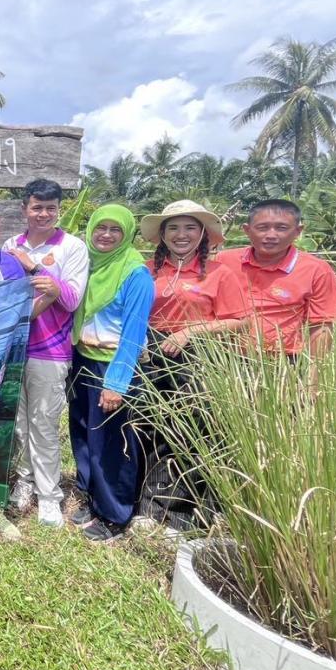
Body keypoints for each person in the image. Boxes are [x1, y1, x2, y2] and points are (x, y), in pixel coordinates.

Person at [133, 201, 248, 535]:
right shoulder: (147, 270)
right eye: (173, 228)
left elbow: (239, 320)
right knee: (150, 429)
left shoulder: (219, 273)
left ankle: (181, 515)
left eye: (189, 228)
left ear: (202, 234)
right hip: (151, 357)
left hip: (197, 359)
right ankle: (148, 507)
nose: (181, 235)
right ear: (162, 235)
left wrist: (191, 331)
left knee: (189, 434)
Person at [1, 179, 90, 527]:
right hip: (14, 347)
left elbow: (71, 299)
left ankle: (50, 496)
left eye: (51, 208)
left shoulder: (72, 246)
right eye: (37, 207)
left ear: (59, 210)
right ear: (24, 209)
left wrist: (36, 268)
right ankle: (24, 482)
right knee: (20, 424)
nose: (44, 214)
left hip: (50, 350)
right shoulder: (11, 245)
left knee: (44, 424)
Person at [67, 205, 154, 543]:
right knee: (84, 433)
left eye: (114, 229)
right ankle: (91, 497)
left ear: (127, 233)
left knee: (113, 443)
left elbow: (133, 333)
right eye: (100, 227)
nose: (105, 235)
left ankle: (115, 514)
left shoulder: (135, 273)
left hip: (113, 366)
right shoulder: (87, 263)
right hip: (82, 359)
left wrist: (116, 383)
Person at [213, 199, 336, 359]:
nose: (271, 235)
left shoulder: (317, 270)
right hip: (222, 357)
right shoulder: (223, 261)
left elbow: (321, 326)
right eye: (262, 228)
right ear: (247, 230)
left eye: (281, 228)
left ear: (298, 231)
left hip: (282, 361)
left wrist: (314, 371)